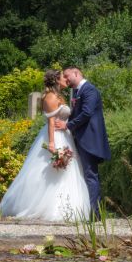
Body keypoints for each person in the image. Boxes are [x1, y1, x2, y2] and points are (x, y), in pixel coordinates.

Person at [0, 69, 90, 221]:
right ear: (56, 80)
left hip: (65, 135)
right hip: (56, 136)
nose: (66, 79)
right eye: (63, 77)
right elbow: (51, 121)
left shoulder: (59, 95)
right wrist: (52, 143)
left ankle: (69, 207)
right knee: (54, 171)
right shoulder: (50, 97)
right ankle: (47, 208)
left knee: (68, 171)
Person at [55, 67, 111, 219]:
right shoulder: (77, 91)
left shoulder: (89, 90)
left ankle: (95, 215)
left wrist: (67, 126)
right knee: (85, 175)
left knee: (90, 175)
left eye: (67, 77)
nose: (65, 80)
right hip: (81, 139)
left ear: (76, 73)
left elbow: (86, 113)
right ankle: (90, 211)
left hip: (89, 140)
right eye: (64, 78)